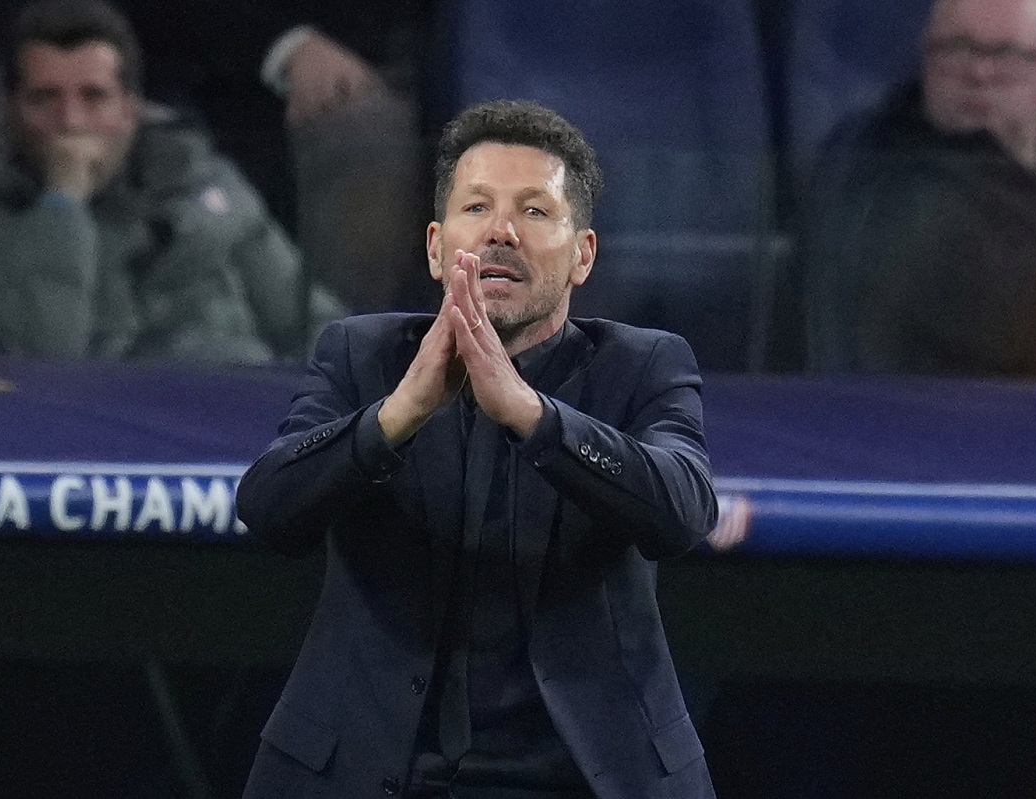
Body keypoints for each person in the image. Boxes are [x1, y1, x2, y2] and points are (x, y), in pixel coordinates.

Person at [236, 100, 718, 799]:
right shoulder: (360, 355)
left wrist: (533, 416)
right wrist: (400, 412)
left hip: (578, 776)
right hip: (372, 770)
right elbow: (270, 506)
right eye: (477, 208)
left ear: (582, 254)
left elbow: (682, 509)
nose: (500, 232)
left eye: (534, 211)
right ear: (436, 247)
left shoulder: (643, 365)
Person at [0, 0, 337, 362]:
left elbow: (317, 327)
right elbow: (44, 365)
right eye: (44, 99)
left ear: (131, 110)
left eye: (93, 97)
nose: (71, 122)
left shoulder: (206, 190)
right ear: (10, 112)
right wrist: (63, 203)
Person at [802, 0, 1036, 376]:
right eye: (957, 49)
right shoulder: (872, 163)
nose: (979, 73)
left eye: (1006, 53)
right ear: (925, 57)